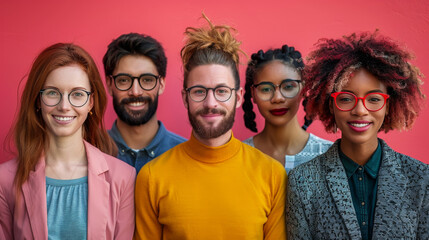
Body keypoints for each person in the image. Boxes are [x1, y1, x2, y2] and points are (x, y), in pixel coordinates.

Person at [134, 14, 287, 240]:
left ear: (238, 97)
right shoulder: (152, 177)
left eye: (221, 91)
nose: (210, 103)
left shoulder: (272, 175)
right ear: (185, 98)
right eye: (199, 91)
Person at [286, 31, 428, 239]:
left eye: (373, 99)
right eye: (345, 98)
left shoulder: (421, 179)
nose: (360, 110)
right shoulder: (302, 182)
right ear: (331, 105)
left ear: (388, 105)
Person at [0, 43, 136, 239]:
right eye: (52, 93)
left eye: (77, 94)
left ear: (91, 102)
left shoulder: (123, 177)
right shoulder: (5, 180)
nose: (64, 106)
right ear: (38, 100)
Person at [103, 33, 186, 173]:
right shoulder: (89, 151)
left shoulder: (185, 155)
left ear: (161, 84)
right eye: (124, 80)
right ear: (110, 85)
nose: (135, 91)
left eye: (147, 80)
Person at [242, 45, 332, 173]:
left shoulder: (328, 155)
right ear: (253, 94)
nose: (277, 98)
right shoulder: (239, 156)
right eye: (266, 89)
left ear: (303, 89)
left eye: (288, 87)